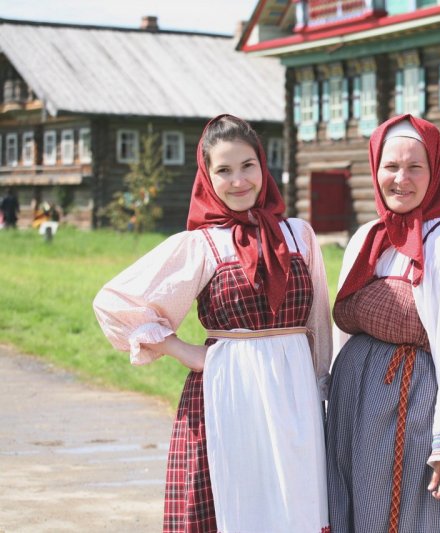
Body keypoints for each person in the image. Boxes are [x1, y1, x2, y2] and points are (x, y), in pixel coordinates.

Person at [93, 114, 332, 533]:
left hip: (294, 398)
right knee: (234, 502)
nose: (238, 181)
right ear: (207, 176)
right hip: (228, 392)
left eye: (247, 166)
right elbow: (115, 303)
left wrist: (321, 389)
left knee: (297, 507)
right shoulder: (202, 244)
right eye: (224, 170)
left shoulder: (299, 235)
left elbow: (319, 324)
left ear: (263, 166)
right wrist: (185, 352)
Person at [326, 114, 440, 533]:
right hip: (352, 404)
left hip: (411, 407)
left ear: (435, 173)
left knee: (399, 515)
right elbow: (343, 333)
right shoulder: (365, 239)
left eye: (415, 167)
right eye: (391, 166)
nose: (401, 179)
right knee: (350, 508)